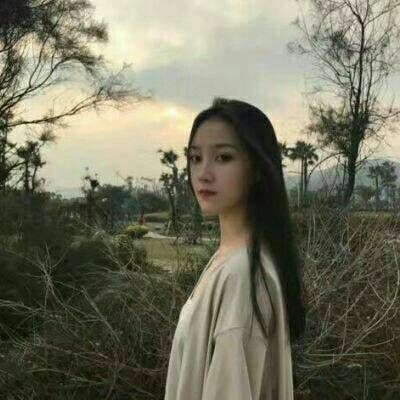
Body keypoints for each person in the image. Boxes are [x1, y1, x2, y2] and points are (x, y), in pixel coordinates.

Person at [164, 97, 307, 399]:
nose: (203, 173)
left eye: (223, 158)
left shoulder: (242, 274)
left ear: (257, 169)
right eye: (195, 158)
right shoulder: (233, 258)